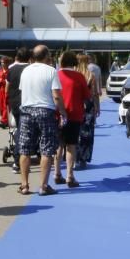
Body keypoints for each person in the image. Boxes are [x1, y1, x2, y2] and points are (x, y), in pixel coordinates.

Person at [16, 45, 67, 196]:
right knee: (47, 148)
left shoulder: (26, 70)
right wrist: (63, 113)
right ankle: (43, 186)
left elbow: (22, 91)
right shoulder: (51, 71)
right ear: (46, 56)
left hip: (26, 110)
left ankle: (24, 185)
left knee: (24, 149)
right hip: (45, 111)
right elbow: (56, 96)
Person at [54, 52, 89, 188]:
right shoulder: (79, 76)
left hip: (57, 114)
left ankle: (56, 174)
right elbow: (86, 96)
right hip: (75, 114)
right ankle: (70, 175)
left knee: (58, 145)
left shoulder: (56, 75)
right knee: (71, 145)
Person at [6, 47, 30, 173]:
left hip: (14, 102)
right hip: (28, 103)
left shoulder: (11, 69)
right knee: (24, 131)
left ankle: (18, 159)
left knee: (19, 129)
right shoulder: (30, 69)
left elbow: (7, 87)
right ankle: (18, 159)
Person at [77, 53, 101, 168]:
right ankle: (84, 158)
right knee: (87, 133)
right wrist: (97, 107)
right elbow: (95, 94)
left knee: (76, 132)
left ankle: (74, 156)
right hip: (88, 105)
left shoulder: (75, 75)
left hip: (76, 104)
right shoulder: (90, 75)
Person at [0, 56, 11, 129]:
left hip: (7, 91)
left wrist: (3, 81)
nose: (2, 64)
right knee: (1, 106)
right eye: (1, 62)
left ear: (7, 63)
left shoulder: (10, 71)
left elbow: (10, 82)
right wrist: (0, 81)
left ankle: (3, 120)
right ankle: (5, 121)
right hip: (0, 91)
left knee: (6, 106)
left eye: (4, 62)